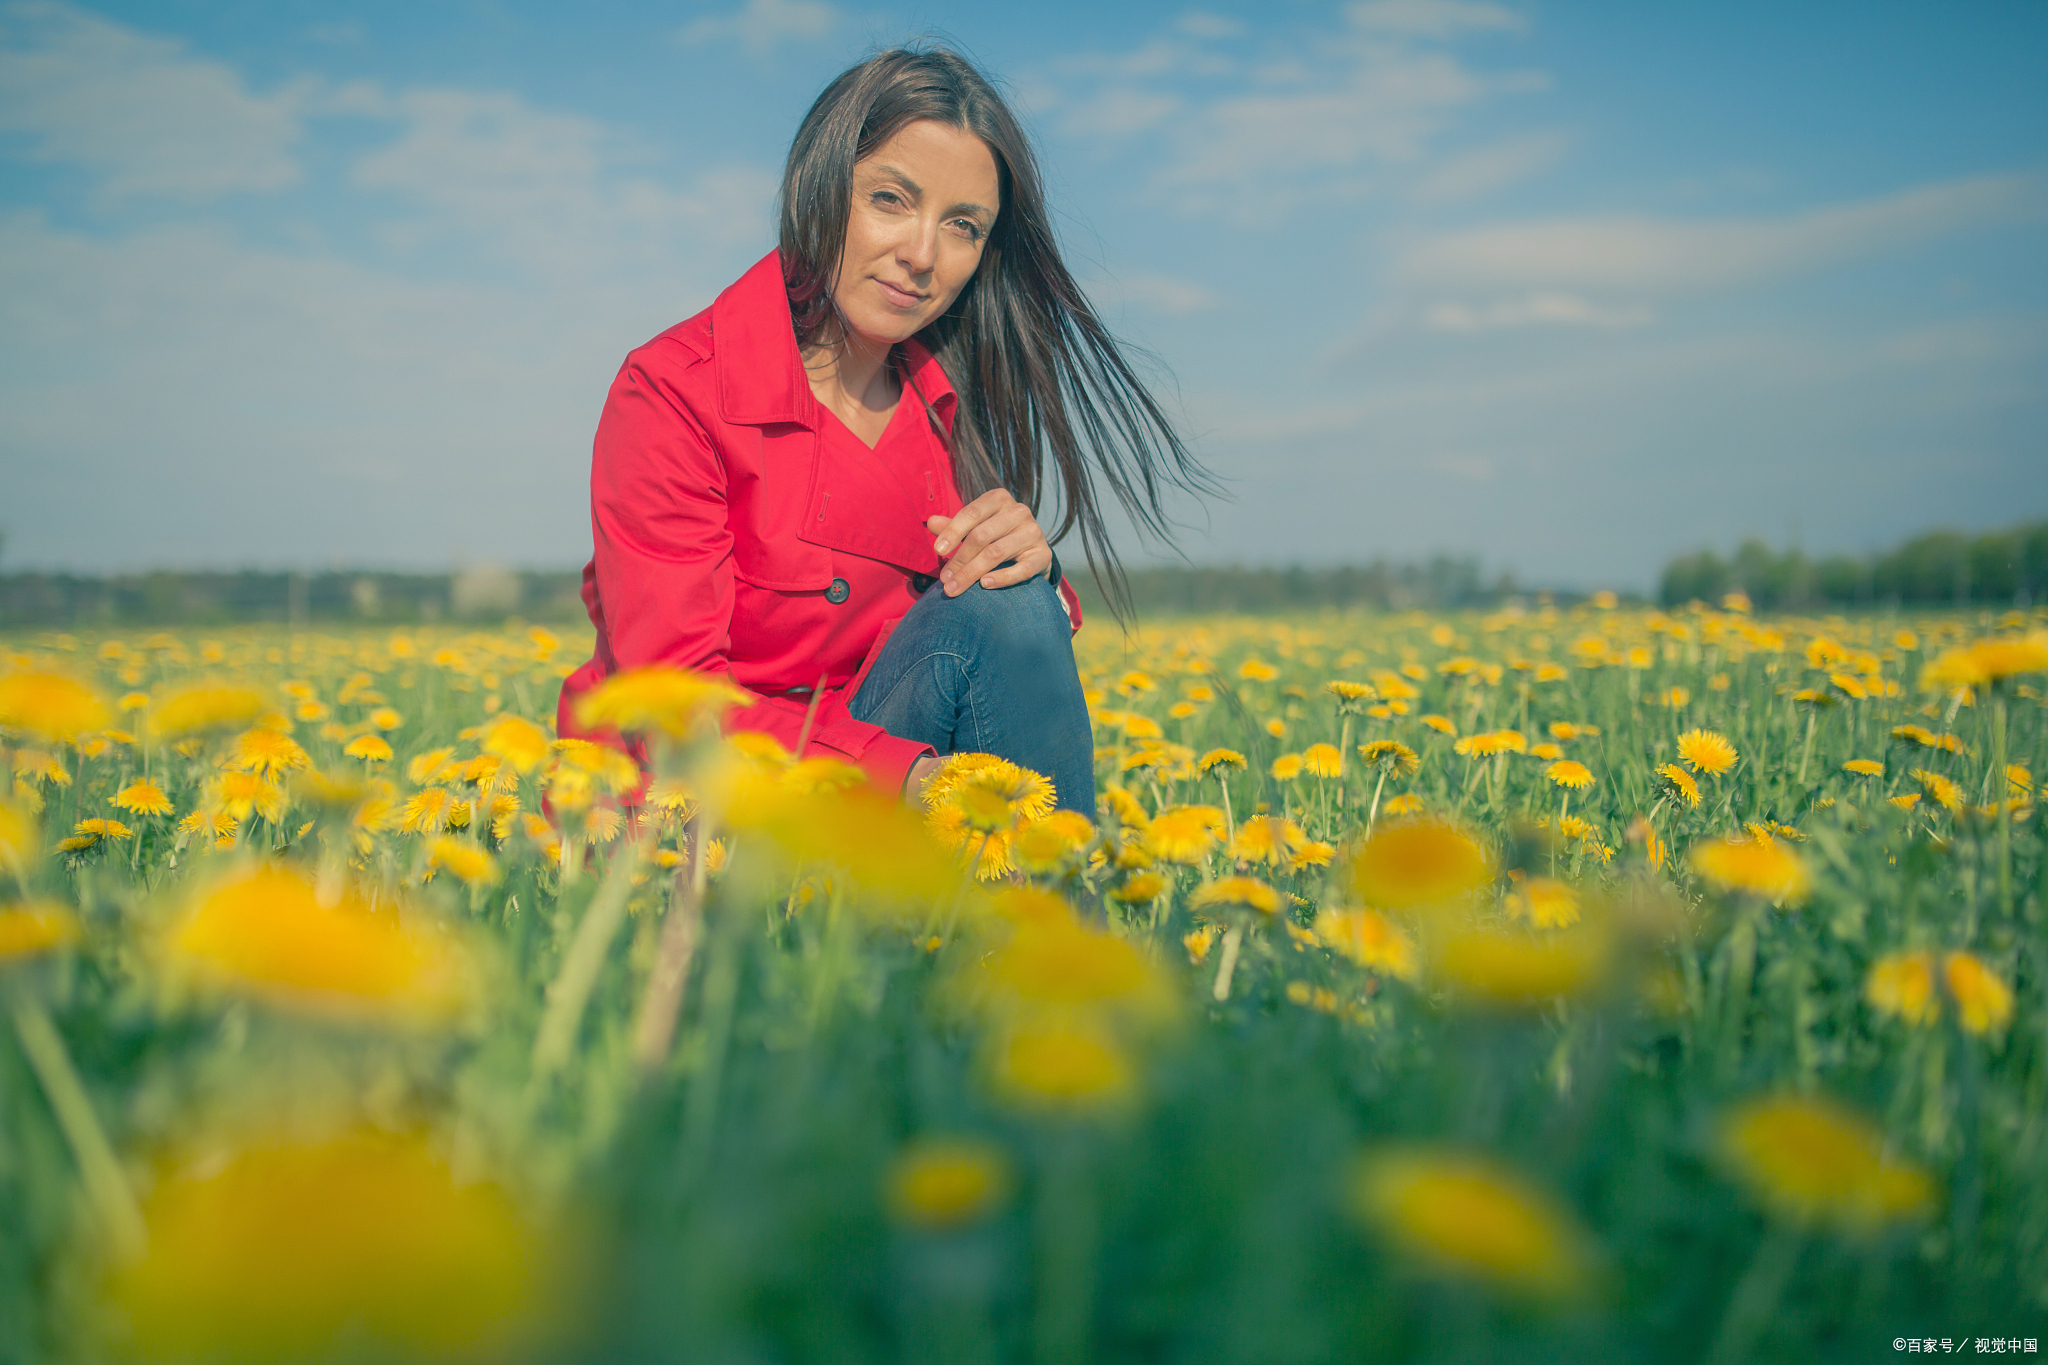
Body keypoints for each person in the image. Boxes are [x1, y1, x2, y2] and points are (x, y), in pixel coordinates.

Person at [557, 46, 1212, 813]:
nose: (922, 255)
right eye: (892, 200)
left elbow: (985, 641)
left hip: (876, 779)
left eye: (963, 226)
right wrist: (905, 779)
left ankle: (1054, 918)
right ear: (823, 185)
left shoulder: (950, 409)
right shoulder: (674, 391)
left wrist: (1031, 571)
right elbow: (673, 710)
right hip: (698, 809)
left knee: (1012, 598)